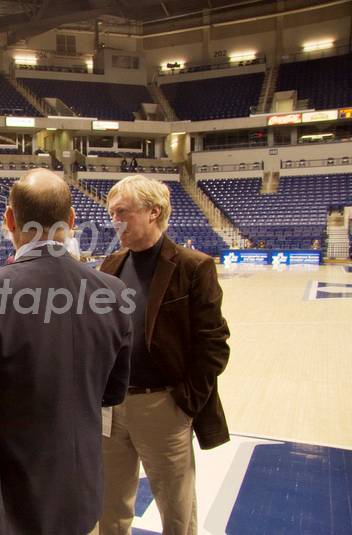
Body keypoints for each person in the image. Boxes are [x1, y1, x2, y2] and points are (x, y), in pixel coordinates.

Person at [0, 169, 132, 535]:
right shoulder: (116, 292)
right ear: (72, 221)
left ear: (9, 219)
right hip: (78, 495)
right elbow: (113, 392)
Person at [99, 175, 230, 535]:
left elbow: (214, 344)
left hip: (163, 406)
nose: (115, 222)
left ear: (154, 212)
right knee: (108, 507)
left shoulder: (192, 266)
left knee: (177, 512)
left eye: (122, 212)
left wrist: (184, 402)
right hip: (111, 407)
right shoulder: (110, 265)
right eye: (112, 214)